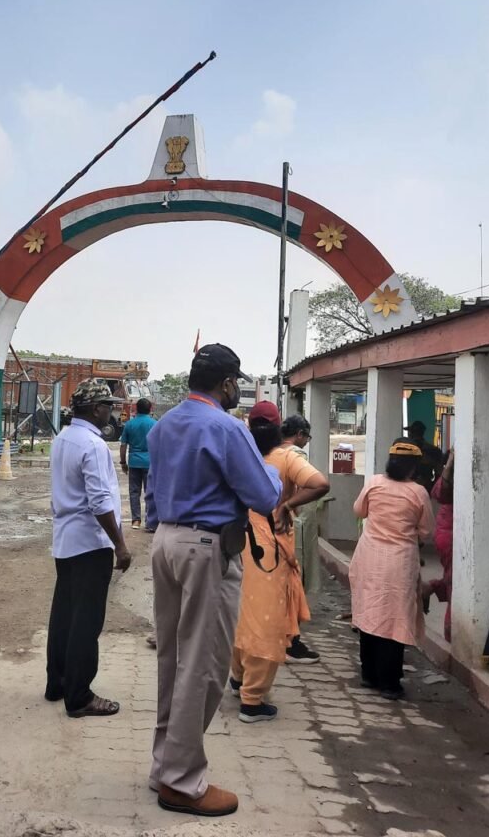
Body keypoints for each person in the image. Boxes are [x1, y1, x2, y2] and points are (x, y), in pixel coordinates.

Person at [146, 344, 281, 817]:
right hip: (205, 547)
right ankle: (182, 782)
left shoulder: (164, 424)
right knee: (203, 663)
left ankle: (165, 766)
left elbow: (151, 488)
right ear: (227, 384)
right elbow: (263, 496)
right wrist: (272, 467)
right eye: (235, 385)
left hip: (165, 540)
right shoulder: (227, 427)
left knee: (173, 656)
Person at [231, 401, 330, 723]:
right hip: (268, 552)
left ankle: (238, 679)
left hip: (234, 543)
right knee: (265, 620)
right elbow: (320, 484)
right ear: (278, 429)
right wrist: (287, 505)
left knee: (238, 615)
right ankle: (252, 700)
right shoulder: (287, 457)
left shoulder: (238, 454)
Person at [45, 379, 132, 719]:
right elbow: (99, 501)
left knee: (64, 615)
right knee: (86, 621)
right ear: (96, 409)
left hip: (66, 540)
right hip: (90, 543)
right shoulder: (93, 446)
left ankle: (58, 682)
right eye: (108, 405)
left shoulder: (63, 438)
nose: (111, 410)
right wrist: (120, 545)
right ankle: (79, 696)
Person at [349, 441, 435, 700]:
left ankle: (368, 675)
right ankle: (389, 683)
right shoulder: (418, 492)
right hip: (399, 561)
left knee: (369, 612)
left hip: (369, 557)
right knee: (396, 618)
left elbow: (359, 510)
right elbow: (426, 530)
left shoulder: (374, 482)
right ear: (413, 467)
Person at [281, 414, 324, 599]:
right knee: (299, 560)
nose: (307, 441)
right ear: (299, 434)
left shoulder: (275, 451)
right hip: (295, 517)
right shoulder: (296, 454)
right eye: (307, 437)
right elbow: (312, 485)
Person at [423, 448, 454, 641]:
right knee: (454, 583)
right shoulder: (450, 477)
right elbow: (440, 493)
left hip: (447, 532)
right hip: (451, 534)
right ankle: (451, 631)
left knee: (453, 579)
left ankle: (429, 588)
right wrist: (451, 462)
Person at [119, 397, 156, 529]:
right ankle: (150, 522)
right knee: (150, 492)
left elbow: (123, 445)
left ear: (136, 409)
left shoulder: (130, 424)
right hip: (150, 463)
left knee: (134, 492)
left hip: (134, 462)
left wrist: (123, 462)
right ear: (150, 409)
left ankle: (136, 520)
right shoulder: (154, 424)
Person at [403, 420, 444, 492]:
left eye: (409, 432)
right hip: (426, 488)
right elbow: (439, 473)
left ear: (411, 434)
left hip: (407, 488)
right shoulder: (434, 450)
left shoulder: (405, 450)